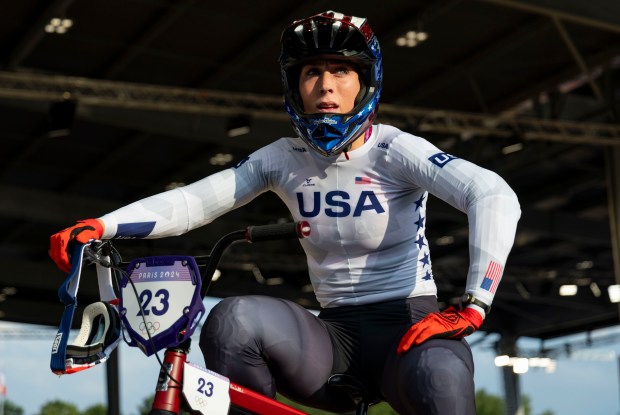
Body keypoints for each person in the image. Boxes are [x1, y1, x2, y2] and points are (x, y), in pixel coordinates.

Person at [49, 10, 520, 415]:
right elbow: (194, 201)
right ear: (295, 84)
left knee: (440, 371)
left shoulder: (397, 150)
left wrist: (475, 306)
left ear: (366, 83)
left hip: (411, 333)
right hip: (330, 342)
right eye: (312, 72)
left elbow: (493, 194)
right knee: (230, 320)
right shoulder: (281, 157)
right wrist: (102, 224)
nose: (326, 87)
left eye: (341, 71)